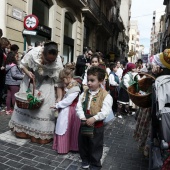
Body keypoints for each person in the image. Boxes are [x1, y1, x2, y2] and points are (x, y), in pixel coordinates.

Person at [9, 41, 64, 144]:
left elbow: (59, 82)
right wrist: (28, 72)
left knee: (43, 113)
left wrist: (59, 98)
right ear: (43, 52)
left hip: (47, 87)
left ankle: (39, 133)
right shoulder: (34, 53)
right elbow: (22, 64)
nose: (48, 62)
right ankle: (24, 130)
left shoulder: (58, 62)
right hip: (30, 83)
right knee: (27, 107)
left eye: (51, 61)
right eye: (47, 59)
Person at [76, 66, 113, 170]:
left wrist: (95, 118)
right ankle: (85, 159)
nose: (89, 83)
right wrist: (82, 117)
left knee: (95, 145)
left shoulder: (105, 95)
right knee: (83, 142)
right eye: (88, 80)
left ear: (100, 81)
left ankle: (95, 164)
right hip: (84, 121)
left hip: (97, 125)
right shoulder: (85, 93)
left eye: (92, 80)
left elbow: (105, 111)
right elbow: (79, 105)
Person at [52, 68, 81, 154]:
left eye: (63, 79)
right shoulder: (70, 85)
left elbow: (68, 101)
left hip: (71, 110)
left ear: (68, 77)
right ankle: (65, 146)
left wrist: (57, 105)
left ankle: (69, 146)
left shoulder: (75, 88)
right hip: (68, 109)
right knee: (64, 126)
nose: (63, 81)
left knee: (65, 126)